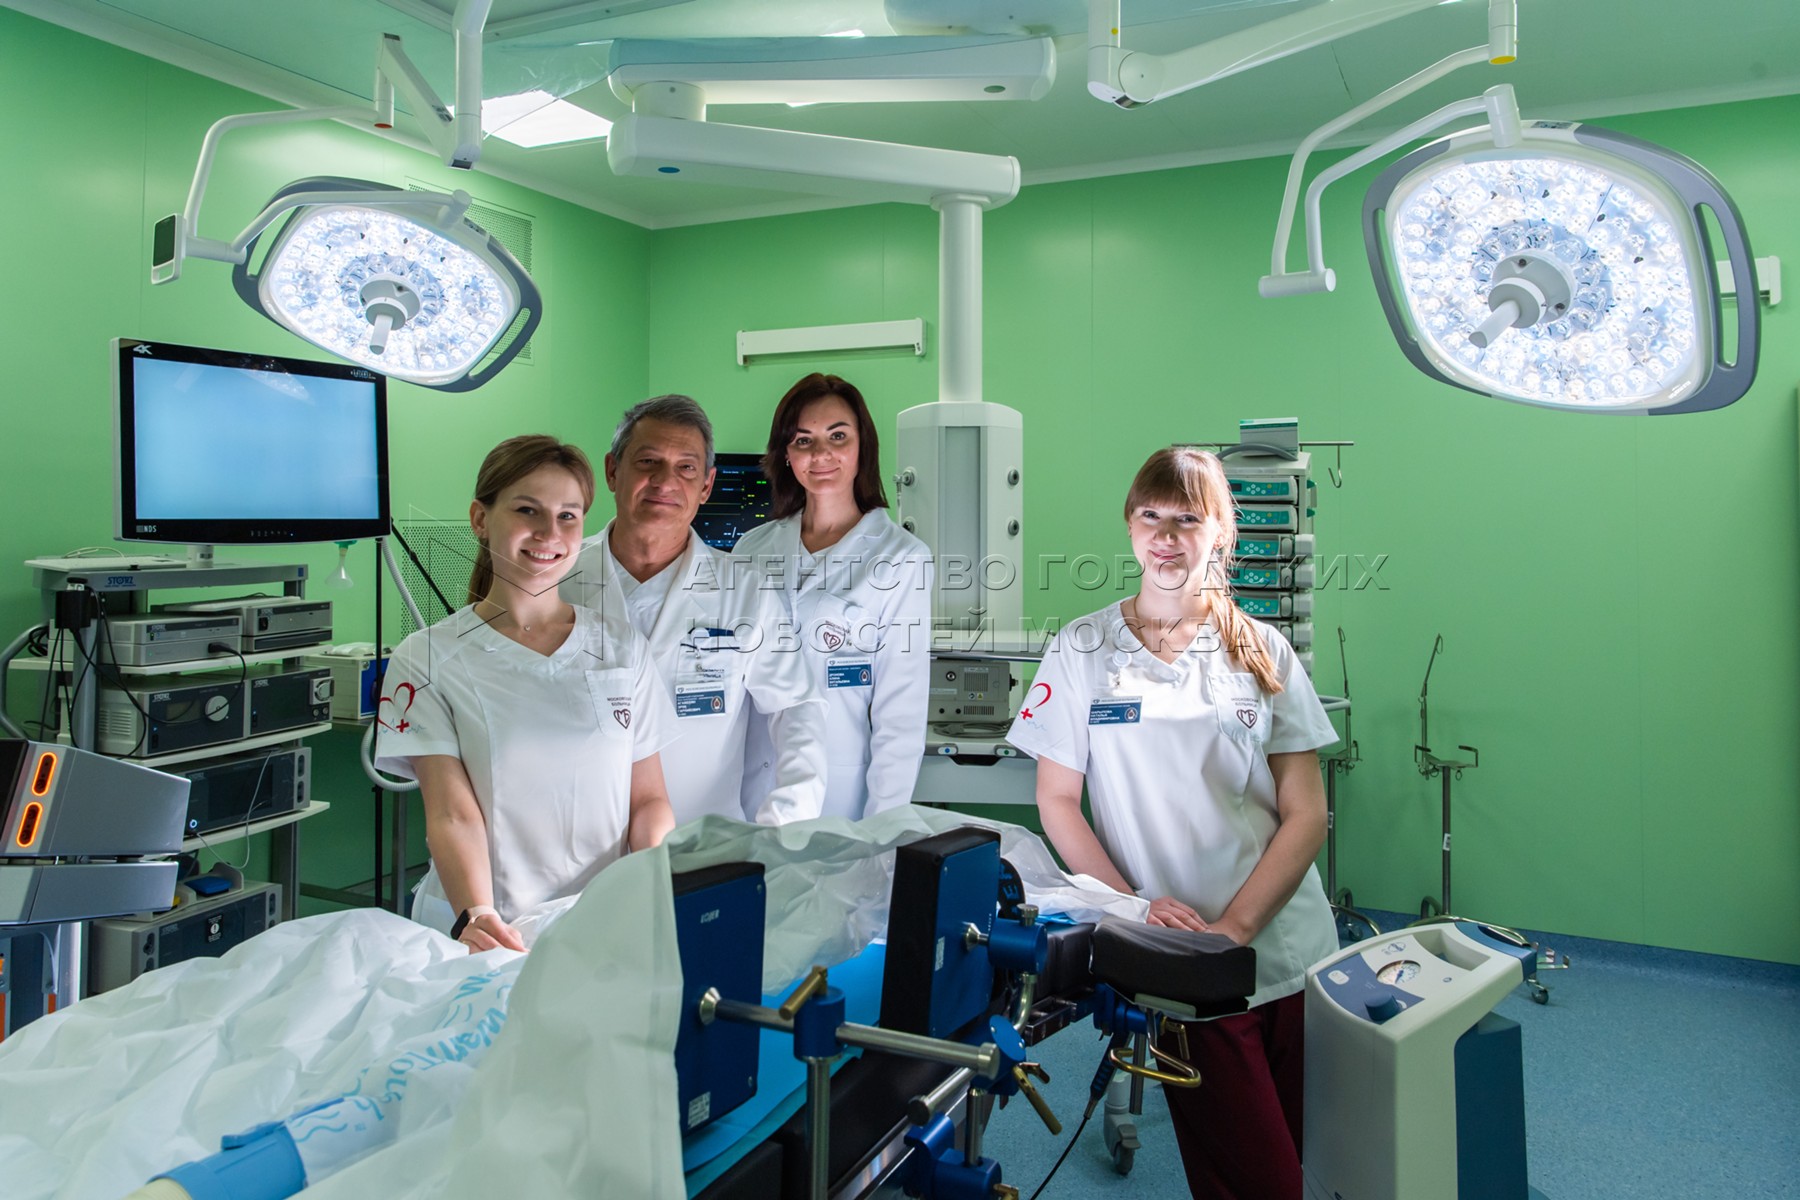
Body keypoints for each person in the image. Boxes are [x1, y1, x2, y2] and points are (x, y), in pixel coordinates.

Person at [1004, 445, 1338, 1200]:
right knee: (1257, 1181)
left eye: (1187, 518)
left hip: (1293, 950)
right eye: (1150, 515)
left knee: (1318, 1161)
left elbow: (1306, 812)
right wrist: (1135, 908)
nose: (1165, 535)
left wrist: (1237, 929)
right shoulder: (1082, 648)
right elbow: (1057, 803)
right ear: (1129, 525)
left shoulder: (1262, 649)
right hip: (1184, 961)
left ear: (1220, 532)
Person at [375, 435, 678, 953]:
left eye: (568, 516)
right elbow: (451, 813)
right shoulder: (426, 657)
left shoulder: (622, 647)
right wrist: (478, 914)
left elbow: (648, 800)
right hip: (485, 926)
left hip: (602, 920)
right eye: (527, 510)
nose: (549, 533)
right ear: (480, 518)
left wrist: (659, 878)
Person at [559, 395, 828, 826]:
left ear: (706, 486)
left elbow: (797, 710)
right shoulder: (557, 580)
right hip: (577, 841)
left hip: (704, 843)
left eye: (686, 468)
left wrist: (787, 820)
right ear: (612, 471)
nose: (665, 482)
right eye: (648, 462)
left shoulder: (747, 592)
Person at [734, 373, 932, 820]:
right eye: (803, 440)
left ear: (863, 447)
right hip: (748, 793)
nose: (821, 454)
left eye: (838, 436)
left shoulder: (902, 559)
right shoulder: (751, 551)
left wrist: (882, 830)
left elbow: (900, 717)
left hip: (839, 802)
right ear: (785, 454)